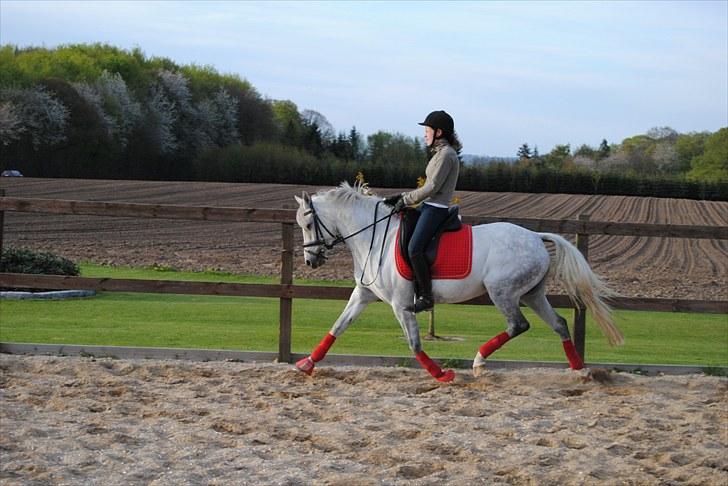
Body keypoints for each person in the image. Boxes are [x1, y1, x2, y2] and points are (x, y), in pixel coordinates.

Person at [383, 110, 461, 313]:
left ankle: (426, 296)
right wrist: (400, 198)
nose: (424, 134)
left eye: (427, 130)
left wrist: (405, 199)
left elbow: (432, 187)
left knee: (414, 248)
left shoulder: (446, 155)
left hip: (436, 209)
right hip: (428, 206)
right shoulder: (439, 154)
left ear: (439, 132)